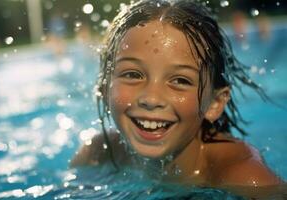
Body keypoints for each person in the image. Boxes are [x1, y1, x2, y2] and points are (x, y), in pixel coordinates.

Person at [71, 0, 283, 196]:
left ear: (215, 103)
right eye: (133, 74)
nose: (151, 99)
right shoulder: (97, 154)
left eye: (180, 80)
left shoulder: (244, 177)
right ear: (105, 87)